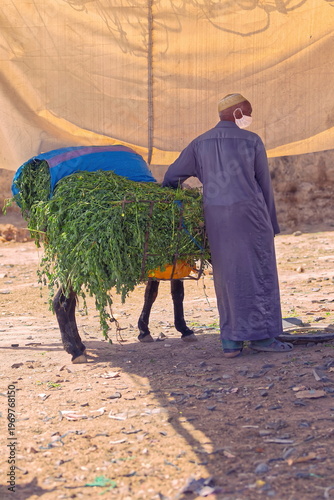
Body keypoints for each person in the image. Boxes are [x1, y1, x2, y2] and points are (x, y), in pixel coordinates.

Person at [162, 93, 293, 358]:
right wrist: (271, 223)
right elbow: (263, 184)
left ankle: (231, 342)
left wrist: (190, 195)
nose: (249, 117)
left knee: (228, 277)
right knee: (258, 274)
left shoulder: (199, 143)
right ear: (236, 113)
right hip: (251, 216)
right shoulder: (252, 140)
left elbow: (171, 177)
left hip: (217, 219)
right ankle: (263, 338)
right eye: (248, 111)